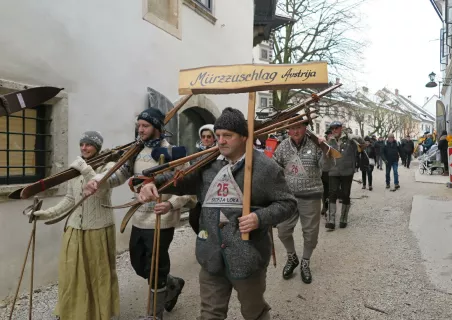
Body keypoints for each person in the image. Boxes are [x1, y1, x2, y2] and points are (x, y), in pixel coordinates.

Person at [136, 107, 297, 320]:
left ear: (243, 137)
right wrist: (151, 183)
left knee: (254, 313)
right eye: (218, 135)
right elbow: (179, 179)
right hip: (211, 255)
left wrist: (260, 218)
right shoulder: (207, 164)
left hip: (248, 257)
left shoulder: (265, 168)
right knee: (210, 315)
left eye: (227, 136)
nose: (220, 141)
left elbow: (287, 203)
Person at [84, 108, 196, 319]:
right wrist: (99, 181)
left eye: (145, 126)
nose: (140, 129)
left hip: (160, 218)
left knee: (156, 266)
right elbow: (119, 175)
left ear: (156, 127)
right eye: (139, 125)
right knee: (138, 264)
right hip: (139, 216)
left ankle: (155, 314)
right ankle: (171, 284)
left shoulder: (175, 152)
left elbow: (188, 191)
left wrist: (170, 205)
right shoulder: (136, 152)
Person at [27, 131, 120, 320]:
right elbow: (70, 199)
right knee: (71, 274)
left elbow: (101, 191)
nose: (84, 148)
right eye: (82, 144)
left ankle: (100, 314)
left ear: (98, 147)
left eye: (89, 144)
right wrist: (46, 214)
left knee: (98, 274)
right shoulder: (75, 170)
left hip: (99, 229)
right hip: (75, 229)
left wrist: (86, 170)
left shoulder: (108, 166)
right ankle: (73, 313)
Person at [272, 116, 324, 284]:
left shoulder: (315, 145)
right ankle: (292, 257)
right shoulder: (282, 147)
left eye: (299, 127)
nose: (295, 131)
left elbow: (328, 167)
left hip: (311, 196)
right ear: (288, 129)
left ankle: (305, 262)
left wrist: (325, 148)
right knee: (283, 230)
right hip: (289, 198)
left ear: (305, 128)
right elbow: (275, 169)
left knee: (310, 234)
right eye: (292, 127)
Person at [324, 121, 365, 230]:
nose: (334, 130)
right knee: (332, 193)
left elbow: (363, 146)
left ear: (341, 128)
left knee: (345, 194)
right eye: (332, 128)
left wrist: (357, 137)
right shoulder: (330, 141)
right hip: (333, 171)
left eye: (336, 128)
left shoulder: (350, 139)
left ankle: (343, 218)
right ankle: (331, 220)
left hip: (347, 171)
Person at [190, 124, 218, 234]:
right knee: (194, 219)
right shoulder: (197, 153)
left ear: (214, 138)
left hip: (213, 193)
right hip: (199, 193)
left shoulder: (219, 153)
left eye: (209, 136)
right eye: (203, 136)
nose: (205, 139)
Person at [320, 129, 333, 216]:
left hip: (333, 171)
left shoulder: (335, 144)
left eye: (331, 134)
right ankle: (325, 206)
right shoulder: (323, 144)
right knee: (324, 191)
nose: (330, 136)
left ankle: (331, 207)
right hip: (323, 171)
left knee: (331, 191)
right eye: (328, 135)